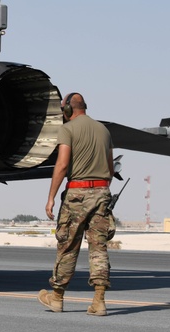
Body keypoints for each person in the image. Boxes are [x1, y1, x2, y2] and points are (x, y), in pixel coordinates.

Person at [39, 92, 115, 316]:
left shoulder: (67, 129)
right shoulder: (104, 130)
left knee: (68, 245)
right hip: (102, 192)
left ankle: (57, 297)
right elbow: (110, 168)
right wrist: (101, 189)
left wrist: (51, 196)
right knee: (99, 247)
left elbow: (62, 165)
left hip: (77, 194)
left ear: (68, 110)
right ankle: (99, 301)